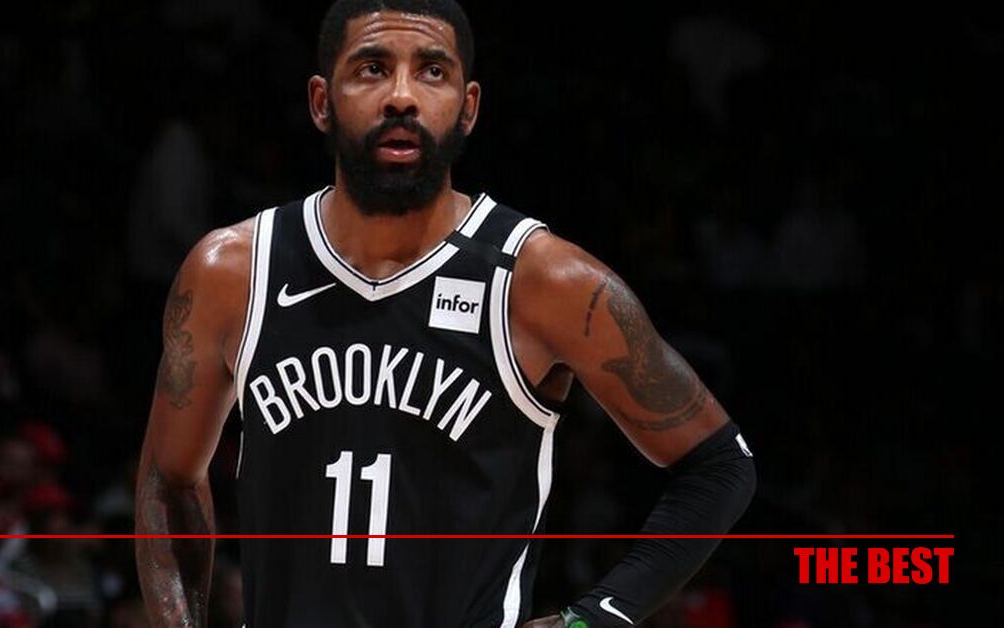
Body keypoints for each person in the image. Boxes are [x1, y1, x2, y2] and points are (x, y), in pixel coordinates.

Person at [135, 1, 757, 626]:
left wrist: (591, 619)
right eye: (372, 68)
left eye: (432, 71)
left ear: (468, 107)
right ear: (321, 101)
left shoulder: (542, 282)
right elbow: (169, 479)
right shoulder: (233, 273)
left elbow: (720, 463)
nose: (402, 96)